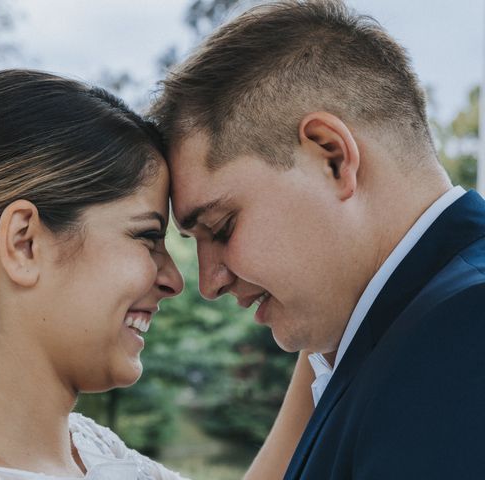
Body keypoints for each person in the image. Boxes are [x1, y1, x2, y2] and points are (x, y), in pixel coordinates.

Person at [0, 69, 313, 480]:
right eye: (147, 237)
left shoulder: (85, 448)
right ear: (24, 243)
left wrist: (320, 317)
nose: (174, 279)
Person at [150, 1, 485, 479]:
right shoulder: (389, 328)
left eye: (222, 228)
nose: (209, 282)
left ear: (332, 157)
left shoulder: (466, 330)